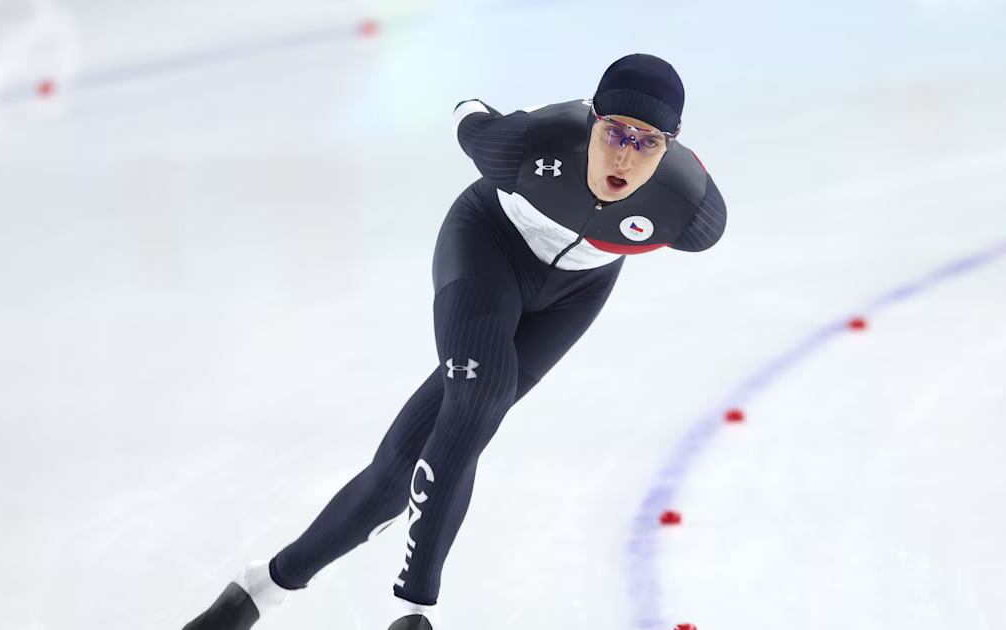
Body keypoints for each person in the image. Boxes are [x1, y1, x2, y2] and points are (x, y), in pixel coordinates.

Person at [181, 52, 726, 630]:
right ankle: (414, 610)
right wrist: (497, 114)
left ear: (670, 146)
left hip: (573, 296)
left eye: (647, 142)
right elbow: (468, 115)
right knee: (482, 398)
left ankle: (257, 591)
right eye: (615, 131)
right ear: (592, 119)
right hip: (488, 247)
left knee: (398, 473)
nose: (624, 154)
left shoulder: (691, 211)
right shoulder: (528, 143)